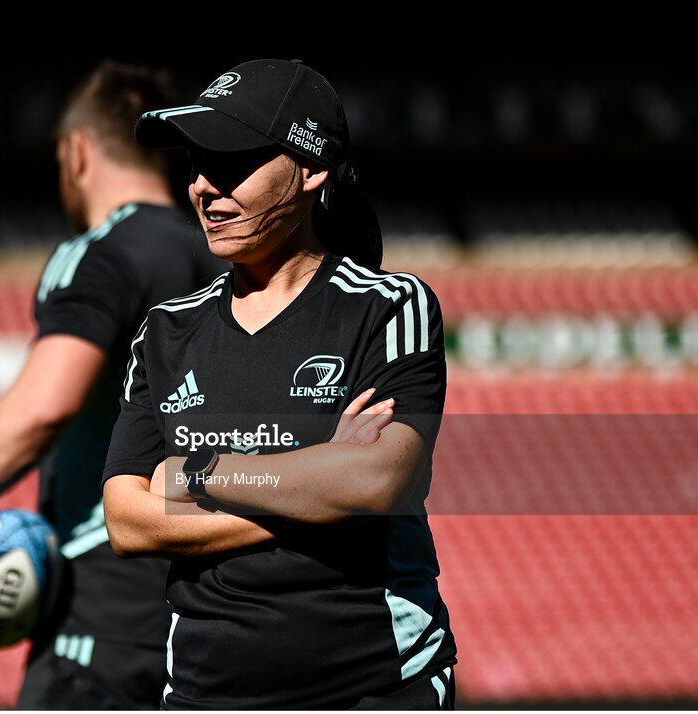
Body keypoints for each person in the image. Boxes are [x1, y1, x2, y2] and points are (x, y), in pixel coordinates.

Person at [102, 59, 457, 709]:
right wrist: (316, 489)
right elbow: (128, 522)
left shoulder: (387, 307)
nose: (205, 187)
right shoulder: (164, 332)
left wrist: (199, 473)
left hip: (376, 687)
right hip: (206, 695)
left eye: (232, 161)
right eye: (196, 165)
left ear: (310, 168)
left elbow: (379, 480)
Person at [0, 61, 225, 710]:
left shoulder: (102, 253)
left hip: (104, 628)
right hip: (224, 631)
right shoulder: (238, 259)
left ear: (76, 152)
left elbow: (45, 403)